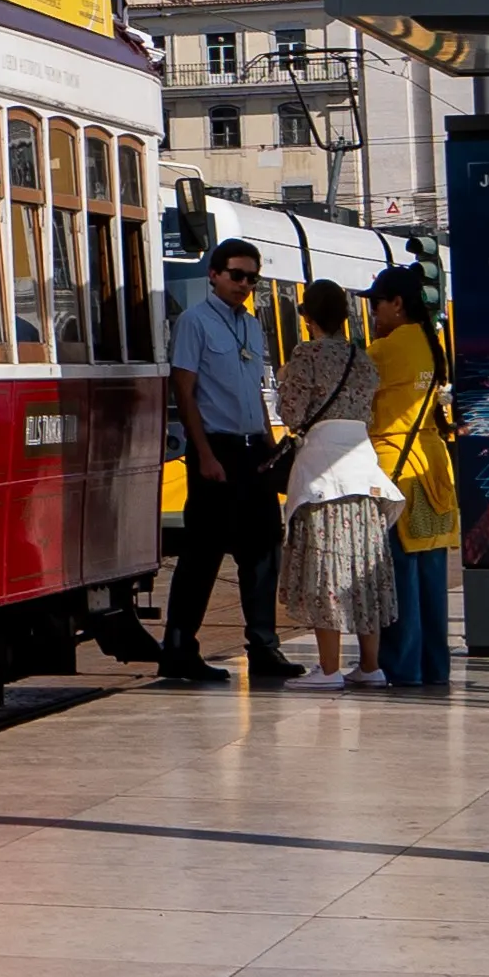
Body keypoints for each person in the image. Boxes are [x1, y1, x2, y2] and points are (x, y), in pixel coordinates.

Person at [162, 237, 297, 685]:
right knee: (202, 554)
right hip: (215, 449)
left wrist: (266, 439)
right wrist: (202, 454)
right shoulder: (194, 323)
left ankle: (264, 647)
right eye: (236, 275)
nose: (243, 284)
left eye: (251, 278)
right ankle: (180, 648)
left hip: (251, 449)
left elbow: (256, 387)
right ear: (214, 275)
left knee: (263, 551)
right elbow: (184, 391)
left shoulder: (253, 326)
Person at [273, 280, 393, 689]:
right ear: (345, 316)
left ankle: (328, 670)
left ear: (307, 316)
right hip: (363, 469)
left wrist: (286, 380)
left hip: (324, 473)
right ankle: (371, 666)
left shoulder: (306, 354)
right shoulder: (364, 358)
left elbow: (291, 415)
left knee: (327, 567)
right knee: (363, 566)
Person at [365, 270, 460, 691]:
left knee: (399, 576)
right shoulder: (430, 341)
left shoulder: (382, 350)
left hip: (395, 471)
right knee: (431, 576)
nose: (373, 312)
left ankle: (403, 667)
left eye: (377, 304)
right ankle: (436, 666)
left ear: (396, 304)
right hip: (433, 468)